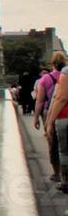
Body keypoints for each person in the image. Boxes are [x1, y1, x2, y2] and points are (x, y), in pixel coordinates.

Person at [36, 54, 66, 187]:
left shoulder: (45, 79)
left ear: (52, 64)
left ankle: (57, 174)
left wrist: (39, 118)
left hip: (56, 112)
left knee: (55, 145)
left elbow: (41, 100)